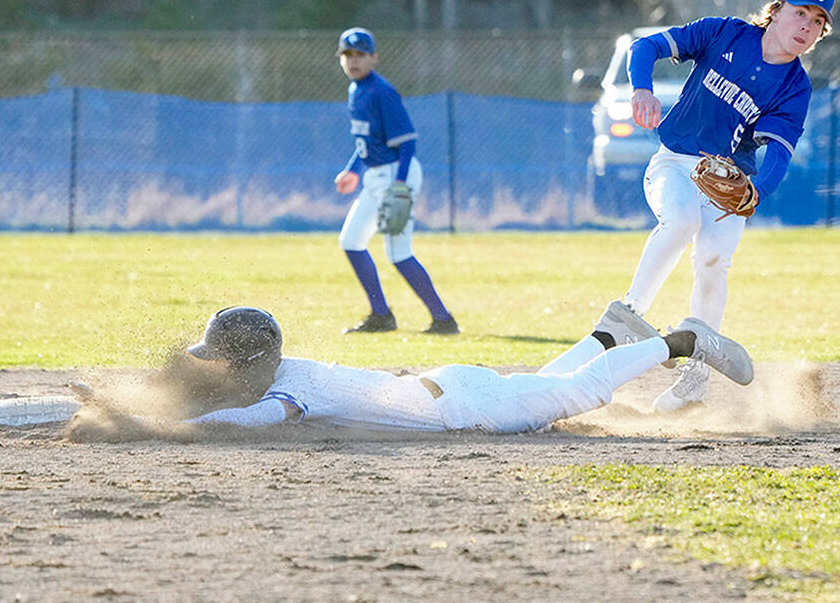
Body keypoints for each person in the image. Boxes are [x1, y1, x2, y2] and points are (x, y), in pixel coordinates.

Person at [64, 302, 754, 442]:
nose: (208, 362)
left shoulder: (286, 390)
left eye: (217, 353)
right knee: (542, 387)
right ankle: (608, 330)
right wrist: (132, 400)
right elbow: (209, 383)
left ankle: (680, 340)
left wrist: (158, 429)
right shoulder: (281, 367)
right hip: (449, 384)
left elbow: (253, 418)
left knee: (580, 393)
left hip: (462, 408)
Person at [617, 0, 834, 413]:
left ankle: (693, 382)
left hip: (730, 182)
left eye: (817, 22)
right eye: (799, 13)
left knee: (714, 263)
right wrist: (642, 88)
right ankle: (629, 316)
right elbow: (646, 47)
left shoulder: (795, 86)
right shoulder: (724, 32)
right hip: (675, 163)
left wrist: (758, 190)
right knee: (681, 221)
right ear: (775, 12)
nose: (805, 27)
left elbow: (777, 153)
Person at [332, 27, 458, 335]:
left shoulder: (381, 91)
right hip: (376, 176)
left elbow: (407, 143)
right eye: (347, 54)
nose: (354, 60)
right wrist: (353, 170)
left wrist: (400, 185)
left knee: (398, 253)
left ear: (374, 57)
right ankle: (381, 315)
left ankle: (443, 320)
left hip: (395, 173)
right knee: (351, 242)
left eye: (361, 54)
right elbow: (367, 141)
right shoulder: (356, 90)